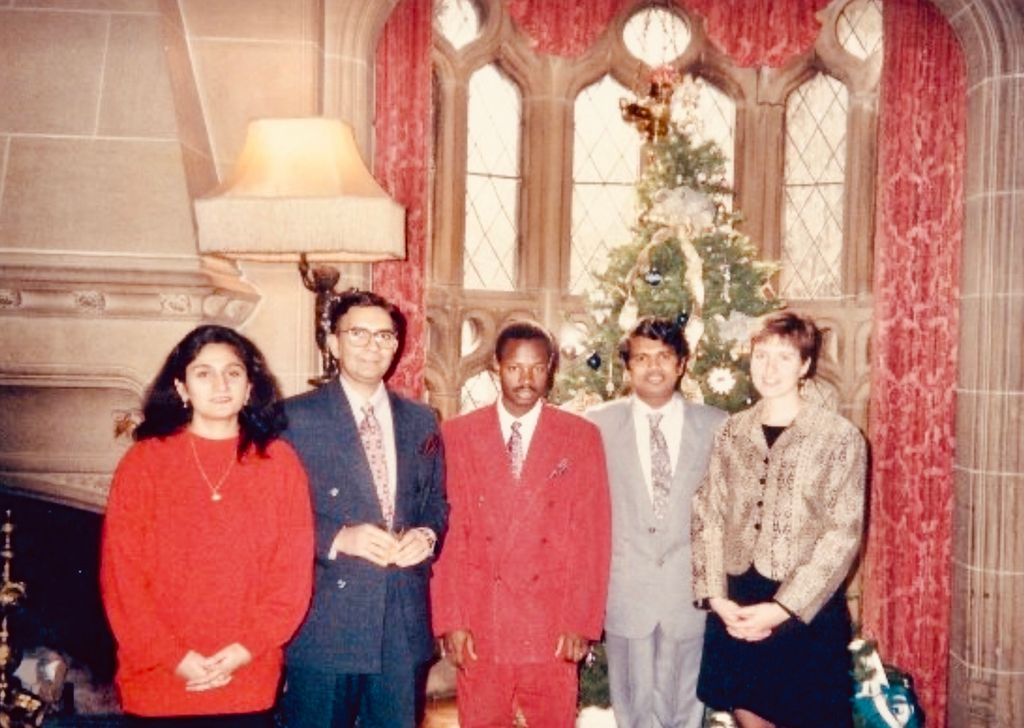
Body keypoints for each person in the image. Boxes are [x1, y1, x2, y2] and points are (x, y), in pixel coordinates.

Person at [100, 324, 314, 727]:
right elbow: (122, 580)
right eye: (204, 373)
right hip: (158, 679)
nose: (220, 384)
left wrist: (244, 651)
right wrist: (174, 658)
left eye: (233, 372)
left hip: (247, 676)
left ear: (250, 386)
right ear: (181, 387)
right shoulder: (144, 464)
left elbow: (291, 580)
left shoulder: (281, 464)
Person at [279, 289, 447, 728]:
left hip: (401, 622)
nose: (373, 345)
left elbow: (435, 504)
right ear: (333, 343)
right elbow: (273, 517)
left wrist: (426, 536)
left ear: (397, 346)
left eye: (385, 336)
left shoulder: (422, 420)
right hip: (325, 623)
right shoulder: (293, 419)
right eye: (358, 333)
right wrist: (338, 536)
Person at [431, 320, 612, 728]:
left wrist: (580, 621)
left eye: (536, 368)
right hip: (481, 621)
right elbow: (449, 536)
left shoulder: (580, 437)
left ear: (550, 368)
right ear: (496, 366)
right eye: (514, 367)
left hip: (551, 623)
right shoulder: (457, 435)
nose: (525, 379)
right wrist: (452, 620)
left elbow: (592, 538)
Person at [691, 311, 867, 728]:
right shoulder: (731, 432)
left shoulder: (838, 437)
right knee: (749, 717)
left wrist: (782, 608)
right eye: (761, 355)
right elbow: (707, 514)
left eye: (784, 357)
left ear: (805, 365)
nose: (769, 369)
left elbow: (841, 535)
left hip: (804, 609)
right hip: (739, 601)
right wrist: (716, 598)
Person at [587, 317, 727, 728]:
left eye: (664, 356)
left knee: (686, 710)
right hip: (626, 591)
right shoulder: (596, 425)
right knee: (632, 711)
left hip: (689, 593)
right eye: (642, 357)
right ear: (628, 366)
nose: (653, 367)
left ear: (682, 364)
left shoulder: (717, 425)